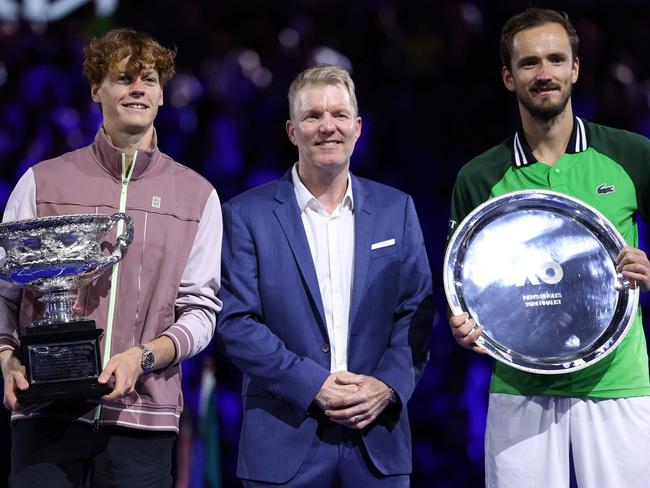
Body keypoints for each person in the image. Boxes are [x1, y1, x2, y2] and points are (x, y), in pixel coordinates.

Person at [0, 28, 222, 487]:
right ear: (96, 90)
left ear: (162, 96)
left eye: (150, 79)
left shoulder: (197, 196)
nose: (138, 88)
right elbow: (3, 292)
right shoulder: (42, 183)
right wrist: (6, 359)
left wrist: (141, 357)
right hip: (45, 414)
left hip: (143, 418)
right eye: (123, 78)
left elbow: (201, 313)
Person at [448, 8, 650, 488]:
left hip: (617, 383)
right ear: (508, 76)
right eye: (530, 63)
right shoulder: (479, 177)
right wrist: (463, 322)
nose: (545, 74)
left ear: (575, 69)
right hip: (520, 386)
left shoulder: (631, 154)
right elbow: (462, 280)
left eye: (557, 60)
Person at [217, 64, 433, 487]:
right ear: (292, 130)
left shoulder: (397, 209)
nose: (326, 126)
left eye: (338, 115)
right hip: (283, 440)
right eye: (313, 116)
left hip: (377, 442)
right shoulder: (246, 215)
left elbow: (417, 314)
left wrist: (386, 387)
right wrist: (312, 384)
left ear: (357, 127)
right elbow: (236, 323)